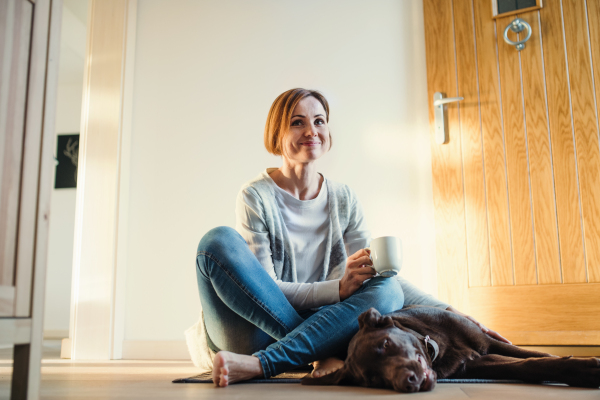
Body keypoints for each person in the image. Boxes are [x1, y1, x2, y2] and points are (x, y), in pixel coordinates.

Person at [191, 88, 509, 387]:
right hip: (253, 330)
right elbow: (265, 291)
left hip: (324, 326)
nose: (311, 130)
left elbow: (378, 277)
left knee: (386, 286)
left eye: (319, 121)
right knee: (216, 241)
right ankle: (314, 353)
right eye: (297, 122)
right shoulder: (255, 196)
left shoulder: (344, 198)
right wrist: (338, 290)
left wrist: (450, 312)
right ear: (277, 134)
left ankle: (270, 362)